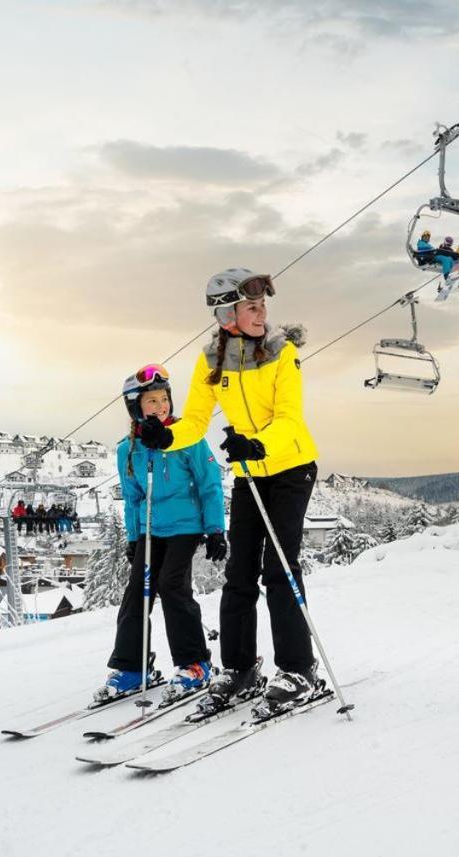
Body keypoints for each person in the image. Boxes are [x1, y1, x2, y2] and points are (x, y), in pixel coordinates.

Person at [139, 267, 321, 713]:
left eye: (263, 306)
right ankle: (239, 666)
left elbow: (289, 418)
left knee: (279, 569)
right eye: (251, 307)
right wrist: (168, 436)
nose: (262, 314)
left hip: (290, 467)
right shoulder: (210, 360)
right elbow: (197, 421)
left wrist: (258, 443)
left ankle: (299, 669)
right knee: (239, 574)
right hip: (248, 472)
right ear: (226, 315)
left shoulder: (283, 352)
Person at [94, 363, 227, 705]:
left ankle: (195, 664)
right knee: (137, 592)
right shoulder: (129, 449)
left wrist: (215, 529)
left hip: (186, 526)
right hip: (151, 531)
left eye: (163, 399)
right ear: (136, 407)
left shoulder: (187, 437)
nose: (160, 406)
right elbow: (133, 497)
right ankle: (133, 667)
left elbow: (210, 484)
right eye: (151, 401)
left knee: (171, 586)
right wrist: (134, 537)